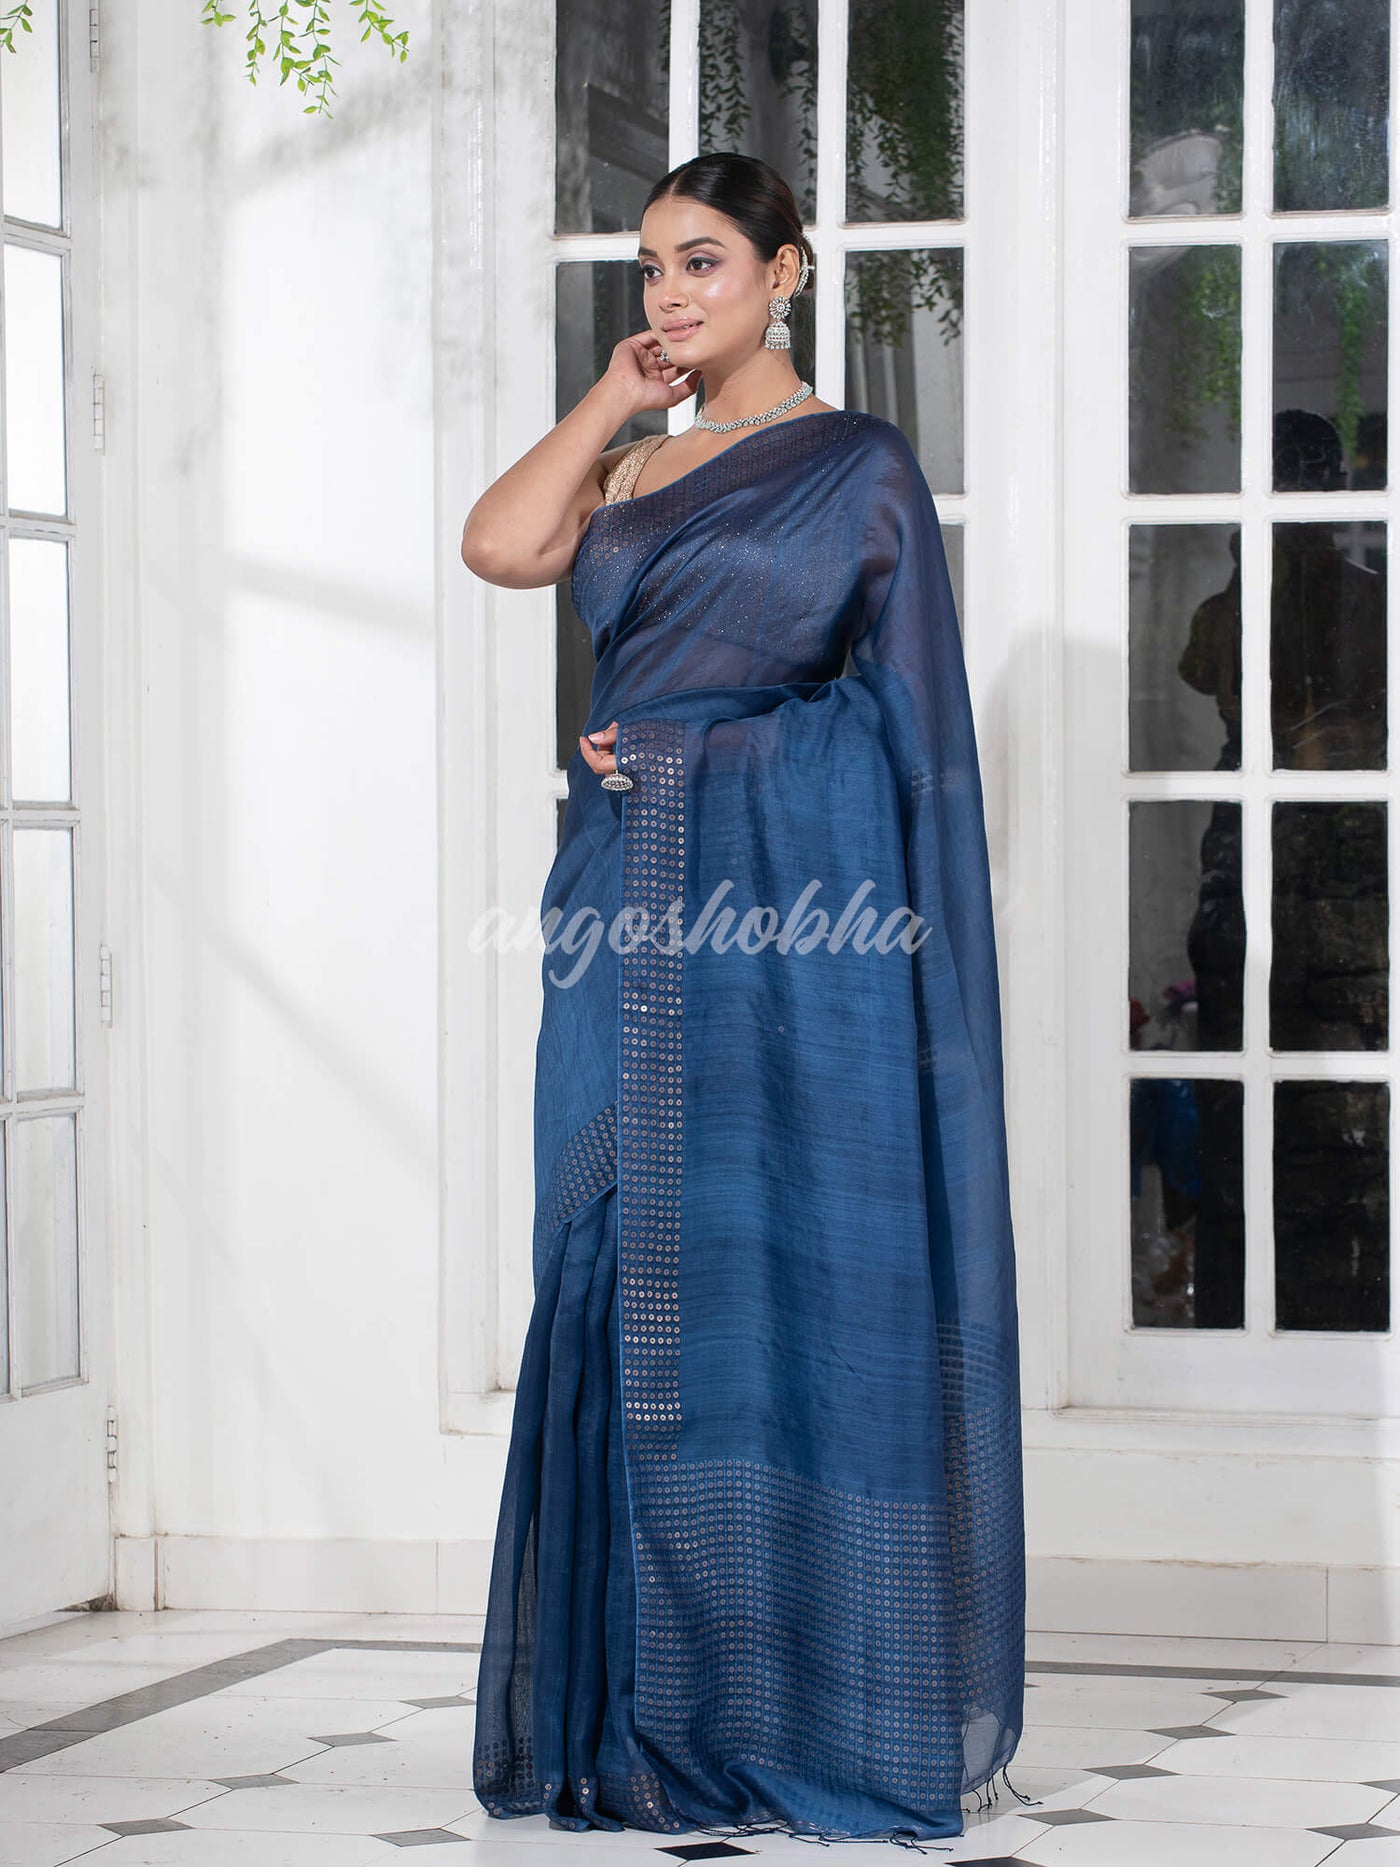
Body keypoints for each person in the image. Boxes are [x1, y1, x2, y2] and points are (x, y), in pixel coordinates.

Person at [460, 152, 1028, 1849]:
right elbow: (500, 545)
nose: (670, 294)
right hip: (614, 906)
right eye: (650, 267)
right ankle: (628, 1719)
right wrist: (610, 395)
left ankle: (790, 1704)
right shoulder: (635, 465)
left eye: (703, 262)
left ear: (787, 272)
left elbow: (899, 725)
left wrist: (703, 755)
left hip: (780, 924)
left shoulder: (857, 467)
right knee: (606, 1260)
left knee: (771, 1269)